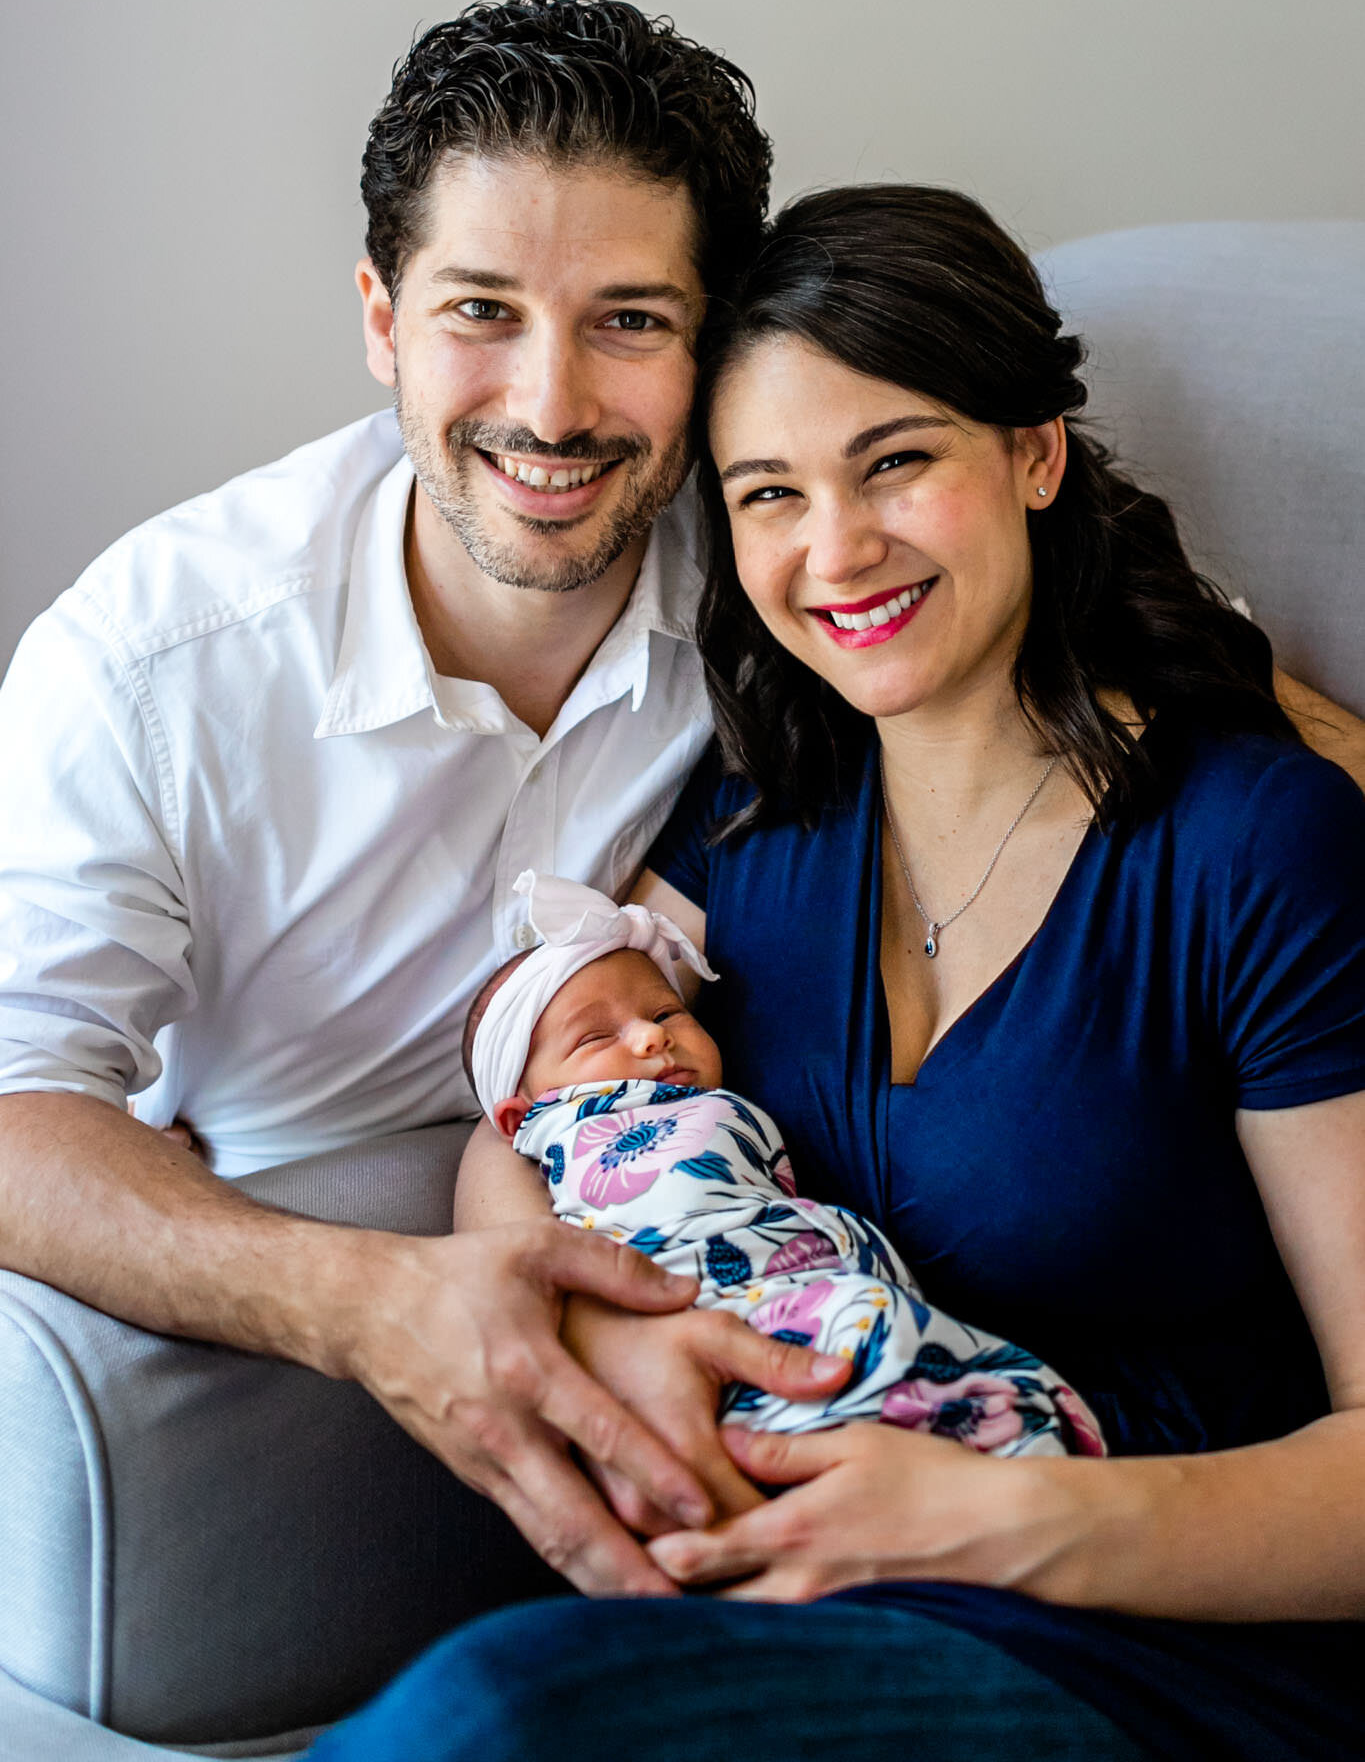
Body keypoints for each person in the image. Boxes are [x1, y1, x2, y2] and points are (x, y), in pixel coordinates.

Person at [324, 186, 1365, 1761]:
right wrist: (601, 1331)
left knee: (495, 1716)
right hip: (787, 1595)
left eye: (895, 463)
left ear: (1032, 452)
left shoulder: (1248, 842)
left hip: (1148, 1652)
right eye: (767, 494)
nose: (835, 550)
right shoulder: (757, 818)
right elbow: (543, 1106)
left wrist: (995, 1521)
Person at [0, 0, 848, 1601]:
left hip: (751, 1265)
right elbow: (12, 1098)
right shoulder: (150, 664)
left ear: (711, 341)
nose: (549, 406)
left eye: (630, 320)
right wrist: (377, 1304)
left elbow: (1108, 620)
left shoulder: (775, 559)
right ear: (382, 319)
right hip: (298, 1373)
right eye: (480, 310)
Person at [470, 868, 1104, 1457]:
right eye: (595, 1038)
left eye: (667, 1012)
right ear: (518, 1117)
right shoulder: (566, 1131)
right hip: (708, 1303)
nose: (650, 1036)